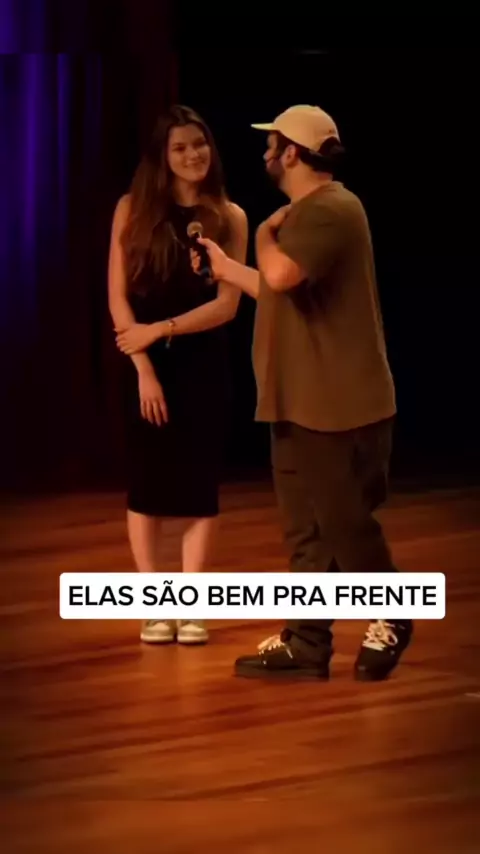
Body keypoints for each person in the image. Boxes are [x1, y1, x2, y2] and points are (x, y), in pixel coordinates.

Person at [191, 104, 412, 680]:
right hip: (297, 401)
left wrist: (264, 232)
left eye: (272, 145)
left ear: (290, 153)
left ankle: (394, 614)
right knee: (306, 533)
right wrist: (225, 268)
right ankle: (307, 641)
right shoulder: (306, 217)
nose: (265, 153)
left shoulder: (331, 208)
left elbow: (281, 274)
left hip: (339, 405)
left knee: (346, 526)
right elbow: (278, 288)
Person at [108, 104, 248, 646]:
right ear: (162, 157)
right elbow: (118, 300)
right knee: (146, 488)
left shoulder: (229, 216)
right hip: (143, 363)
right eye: (180, 147)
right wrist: (143, 366)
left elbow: (227, 306)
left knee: (198, 489)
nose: (194, 155)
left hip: (202, 364)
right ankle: (154, 605)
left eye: (200, 144)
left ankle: (191, 607)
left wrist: (162, 329)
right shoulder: (132, 209)